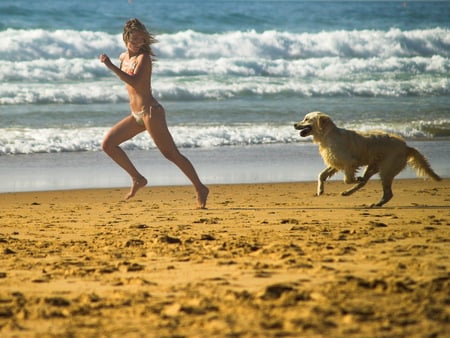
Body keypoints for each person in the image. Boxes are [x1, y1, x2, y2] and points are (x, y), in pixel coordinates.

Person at [99, 18, 209, 208]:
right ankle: (137, 178)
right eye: (134, 40)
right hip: (136, 116)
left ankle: (200, 188)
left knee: (171, 154)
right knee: (108, 144)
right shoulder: (123, 57)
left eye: (141, 40)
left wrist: (110, 65)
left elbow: (134, 82)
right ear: (125, 39)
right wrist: (114, 63)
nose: (138, 43)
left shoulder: (144, 58)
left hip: (151, 113)